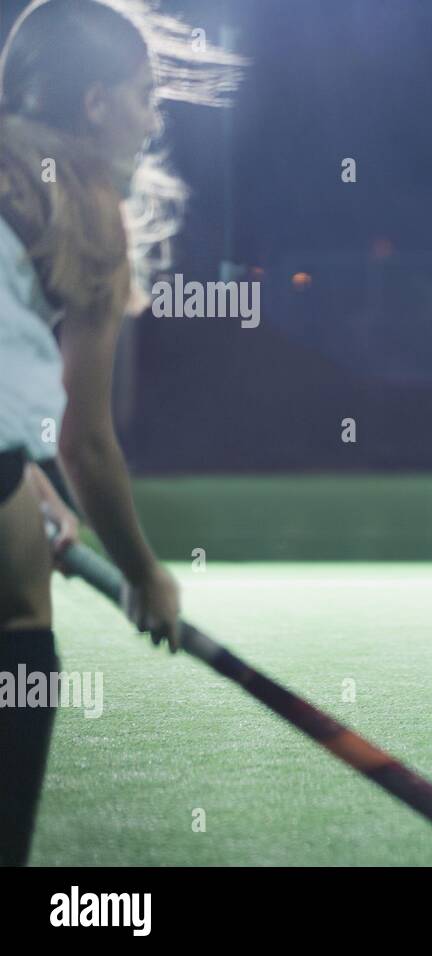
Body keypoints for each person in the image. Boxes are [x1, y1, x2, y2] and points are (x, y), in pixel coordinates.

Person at [0, 0, 239, 865]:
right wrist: (144, 575)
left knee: (18, 530)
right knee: (20, 604)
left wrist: (21, 484)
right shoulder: (89, 204)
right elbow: (85, 441)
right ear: (96, 106)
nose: (153, 118)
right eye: (144, 96)